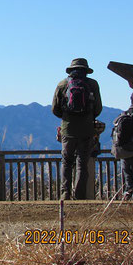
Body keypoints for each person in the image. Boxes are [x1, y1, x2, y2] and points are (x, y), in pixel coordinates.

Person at [52, 58, 102, 200]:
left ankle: (65, 194)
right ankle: (79, 196)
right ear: (86, 70)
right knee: (82, 163)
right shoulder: (92, 84)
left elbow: (54, 109)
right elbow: (98, 108)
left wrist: (67, 117)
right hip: (86, 130)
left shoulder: (63, 84)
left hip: (67, 129)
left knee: (66, 162)